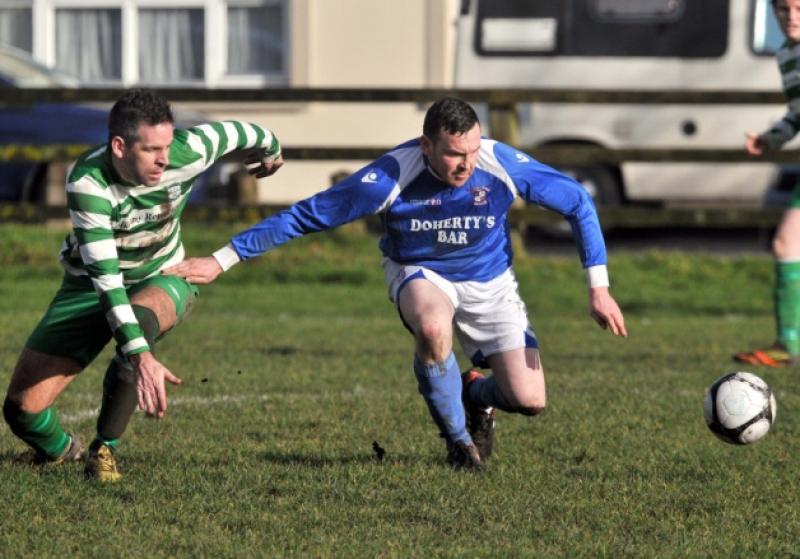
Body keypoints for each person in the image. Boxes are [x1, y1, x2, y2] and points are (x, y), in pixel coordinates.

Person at [165, 97, 627, 470]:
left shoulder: (498, 163)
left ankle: (474, 396)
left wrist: (598, 287)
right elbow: (307, 215)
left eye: (471, 151)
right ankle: (459, 443)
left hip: (491, 281)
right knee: (431, 329)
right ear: (427, 146)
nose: (465, 163)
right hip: (420, 272)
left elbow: (578, 204)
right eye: (453, 154)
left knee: (529, 401)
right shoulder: (387, 177)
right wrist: (223, 259)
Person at [2, 88, 284, 481]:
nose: (164, 159)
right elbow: (106, 280)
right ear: (119, 146)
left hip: (164, 274)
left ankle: (104, 450)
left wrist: (271, 150)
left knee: (137, 322)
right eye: (152, 149)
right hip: (90, 285)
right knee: (21, 412)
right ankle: (64, 451)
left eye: (167, 146)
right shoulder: (89, 184)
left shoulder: (189, 150)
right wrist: (142, 356)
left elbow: (242, 131)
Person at [736, 0, 800, 367]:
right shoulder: (786, 55)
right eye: (784, 9)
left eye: (799, 9)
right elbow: (796, 114)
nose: (791, 18)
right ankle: (786, 346)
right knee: (786, 243)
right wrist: (770, 138)